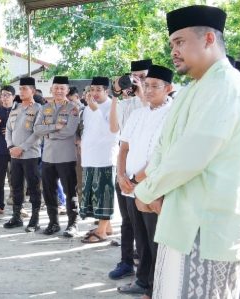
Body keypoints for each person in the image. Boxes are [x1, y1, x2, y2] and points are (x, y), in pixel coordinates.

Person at [133, 5, 240, 297]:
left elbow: (191, 156)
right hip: (181, 221)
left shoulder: (226, 85)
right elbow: (165, 145)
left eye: (180, 42)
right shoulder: (194, 88)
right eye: (172, 43)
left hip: (208, 227)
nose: (173, 51)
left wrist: (146, 191)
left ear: (209, 39)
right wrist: (152, 188)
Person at [115, 65, 174, 298]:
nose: (148, 90)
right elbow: (124, 147)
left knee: (155, 240)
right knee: (140, 238)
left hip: (154, 188)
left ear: (168, 88)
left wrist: (134, 179)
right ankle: (143, 281)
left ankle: (157, 286)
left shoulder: (174, 114)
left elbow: (164, 156)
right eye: (146, 85)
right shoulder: (138, 113)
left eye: (154, 86)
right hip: (130, 188)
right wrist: (121, 177)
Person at [108, 59, 152, 280]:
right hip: (123, 167)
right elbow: (114, 128)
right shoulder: (126, 103)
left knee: (144, 225)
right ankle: (126, 261)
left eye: (142, 77)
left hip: (144, 171)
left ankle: (146, 275)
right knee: (126, 220)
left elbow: (149, 111)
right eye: (134, 77)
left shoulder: (158, 101)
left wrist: (142, 90)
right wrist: (116, 94)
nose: (137, 81)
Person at [34, 76, 80, 237]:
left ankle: (72, 224)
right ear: (51, 90)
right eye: (56, 88)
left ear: (67, 90)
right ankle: (53, 223)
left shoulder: (73, 108)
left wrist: (49, 133)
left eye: (62, 88)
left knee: (70, 192)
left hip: (66, 157)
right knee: (49, 192)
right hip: (47, 157)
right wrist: (55, 127)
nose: (59, 91)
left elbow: (69, 131)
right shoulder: (44, 108)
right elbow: (37, 129)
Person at [80, 76, 118, 243]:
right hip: (89, 156)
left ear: (106, 91)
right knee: (93, 193)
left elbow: (111, 132)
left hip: (104, 157)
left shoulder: (112, 106)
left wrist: (96, 110)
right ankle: (106, 226)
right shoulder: (89, 107)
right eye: (92, 89)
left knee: (103, 193)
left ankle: (101, 231)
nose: (94, 93)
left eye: (98, 90)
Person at [3, 77, 43, 232]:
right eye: (20, 89)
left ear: (32, 90)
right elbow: (8, 130)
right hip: (14, 155)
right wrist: (11, 146)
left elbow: (37, 133)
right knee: (16, 186)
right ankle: (16, 216)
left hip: (30, 155)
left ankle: (35, 219)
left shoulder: (38, 108)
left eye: (24, 89)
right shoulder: (16, 108)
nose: (21, 91)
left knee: (33, 187)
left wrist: (22, 148)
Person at [0, 86, 15, 216]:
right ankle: (0, 206)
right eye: (2, 95)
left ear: (13, 97)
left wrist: (11, 132)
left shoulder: (18, 110)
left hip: (15, 149)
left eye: (7, 95)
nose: (4, 97)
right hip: (0, 148)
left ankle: (18, 206)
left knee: (16, 179)